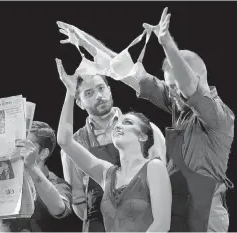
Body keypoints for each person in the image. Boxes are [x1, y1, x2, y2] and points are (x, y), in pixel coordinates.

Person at [62, 7, 235, 232]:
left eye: (174, 86)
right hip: (178, 210)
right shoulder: (179, 106)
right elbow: (124, 70)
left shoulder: (219, 117)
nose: (170, 92)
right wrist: (84, 41)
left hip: (204, 215)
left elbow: (189, 86)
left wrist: (166, 43)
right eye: (168, 86)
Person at [57, 21, 167, 233]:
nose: (99, 95)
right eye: (89, 93)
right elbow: (79, 201)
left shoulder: (144, 128)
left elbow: (162, 190)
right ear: (79, 102)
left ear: (110, 89)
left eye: (101, 88)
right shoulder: (100, 167)